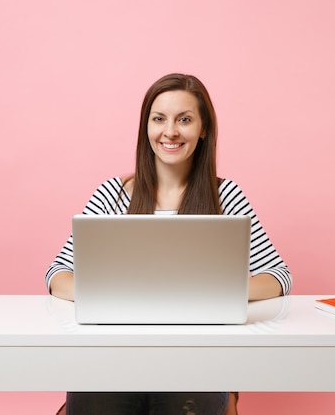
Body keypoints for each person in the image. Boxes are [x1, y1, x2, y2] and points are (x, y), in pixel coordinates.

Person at [45, 73, 292, 415]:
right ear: (146, 127)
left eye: (185, 120)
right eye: (159, 119)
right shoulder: (113, 195)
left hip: (198, 361)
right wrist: (123, 292)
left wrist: (210, 290)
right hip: (110, 359)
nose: (170, 131)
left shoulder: (226, 197)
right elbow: (58, 274)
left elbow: (279, 277)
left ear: (203, 129)